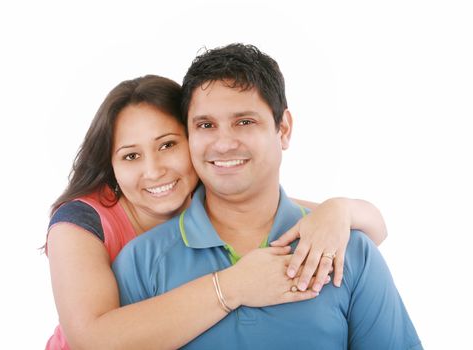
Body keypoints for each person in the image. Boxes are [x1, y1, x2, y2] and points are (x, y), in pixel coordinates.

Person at [113, 44, 422, 349]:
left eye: (244, 122)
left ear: (283, 129)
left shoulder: (351, 251)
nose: (223, 144)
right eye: (206, 125)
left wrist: (339, 209)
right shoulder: (140, 263)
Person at [46, 75, 388, 349]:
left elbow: (374, 227)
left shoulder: (205, 192)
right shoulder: (80, 223)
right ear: (111, 164)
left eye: (168, 145)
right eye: (131, 156)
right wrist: (235, 286)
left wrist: (337, 210)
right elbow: (91, 340)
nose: (154, 171)